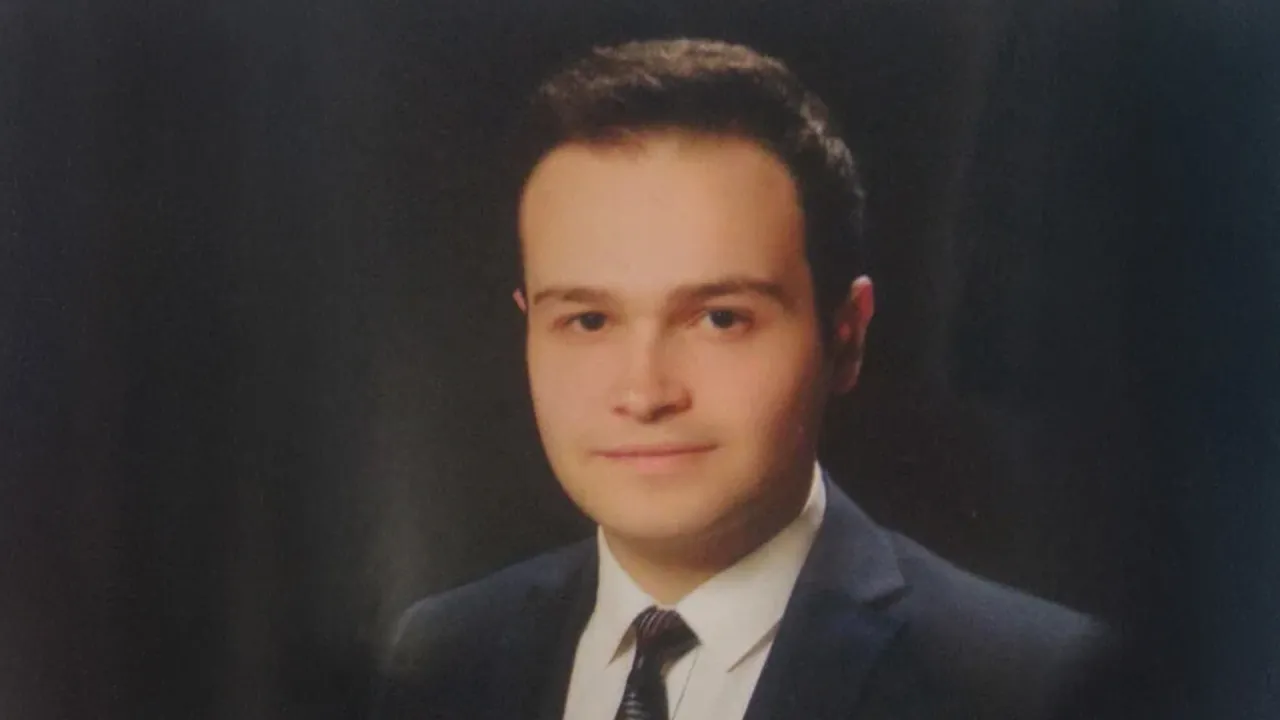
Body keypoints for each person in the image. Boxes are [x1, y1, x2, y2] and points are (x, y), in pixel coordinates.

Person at [372, 37, 1123, 720]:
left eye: (720, 318)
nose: (645, 393)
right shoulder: (441, 655)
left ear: (845, 336)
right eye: (590, 320)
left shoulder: (1026, 686)